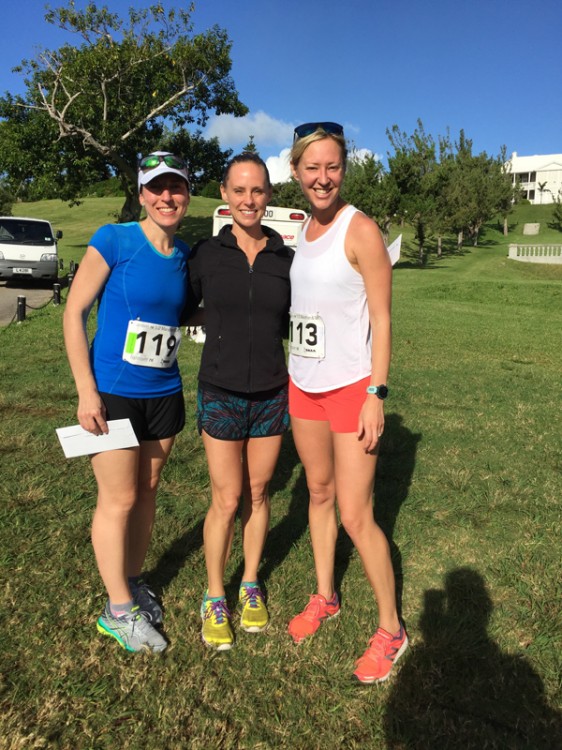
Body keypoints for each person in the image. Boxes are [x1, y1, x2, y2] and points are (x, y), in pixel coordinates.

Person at [286, 122, 408, 683]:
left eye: (332, 166)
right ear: (295, 171)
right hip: (303, 386)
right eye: (312, 167)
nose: (322, 177)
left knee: (357, 514)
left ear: (344, 170)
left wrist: (375, 394)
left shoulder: (361, 230)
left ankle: (392, 629)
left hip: (350, 390)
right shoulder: (303, 228)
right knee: (318, 493)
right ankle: (326, 595)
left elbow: (382, 319)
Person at [63, 152, 191, 653]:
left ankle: (132, 582)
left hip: (164, 392)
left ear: (187, 193)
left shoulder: (184, 255)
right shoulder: (114, 239)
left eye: (176, 187)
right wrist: (86, 390)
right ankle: (117, 612)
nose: (167, 197)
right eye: (156, 188)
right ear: (141, 194)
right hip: (114, 393)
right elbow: (74, 312)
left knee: (148, 490)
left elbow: (184, 312)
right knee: (117, 499)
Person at [187, 153, 294, 650]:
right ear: (225, 194)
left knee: (258, 491)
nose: (248, 200)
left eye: (257, 190)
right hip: (220, 390)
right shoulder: (205, 255)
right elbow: (177, 305)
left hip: (272, 392)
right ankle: (214, 595)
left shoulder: (285, 259)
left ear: (268, 195)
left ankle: (249, 583)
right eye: (239, 190)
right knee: (227, 498)